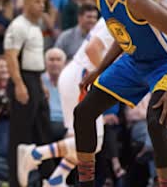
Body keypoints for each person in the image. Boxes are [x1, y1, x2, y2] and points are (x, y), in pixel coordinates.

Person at [75, 0, 167, 187]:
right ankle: (86, 183)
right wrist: (99, 70)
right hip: (133, 63)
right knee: (83, 113)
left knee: (155, 123)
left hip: (165, 63)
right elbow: (123, 37)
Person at [18, 18, 110, 187]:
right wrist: (111, 81)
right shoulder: (118, 18)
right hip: (82, 78)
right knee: (92, 143)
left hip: (76, 76)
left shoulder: (111, 15)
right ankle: (35, 153)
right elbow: (92, 49)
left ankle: (56, 179)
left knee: (82, 141)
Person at [4, 0, 54, 187]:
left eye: (43, 2)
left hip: (35, 79)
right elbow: (10, 57)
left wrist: (41, 84)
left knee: (43, 131)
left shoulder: (36, 26)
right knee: (21, 135)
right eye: (37, 2)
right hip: (22, 80)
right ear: (26, 4)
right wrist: (19, 85)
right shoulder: (18, 26)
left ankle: (48, 179)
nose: (42, 6)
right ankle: (16, 182)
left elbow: (34, 58)